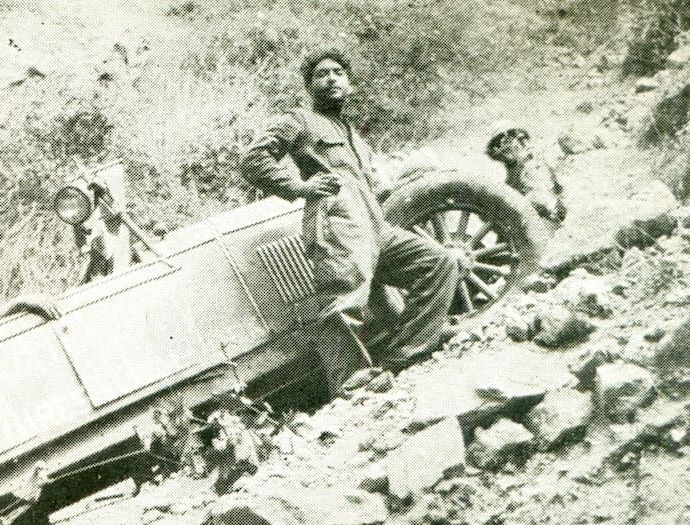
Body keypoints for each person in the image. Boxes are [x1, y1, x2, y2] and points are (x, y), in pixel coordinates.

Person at [240, 48, 461, 397]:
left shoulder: (354, 136)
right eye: (321, 74)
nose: (331, 79)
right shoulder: (298, 120)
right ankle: (350, 388)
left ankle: (401, 360)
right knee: (344, 300)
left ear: (350, 83)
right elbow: (254, 159)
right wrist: (299, 187)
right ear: (309, 87)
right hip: (336, 220)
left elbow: (369, 183)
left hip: (373, 223)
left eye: (338, 73)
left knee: (439, 263)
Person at [486, 121, 566, 226]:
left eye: (507, 141)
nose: (503, 148)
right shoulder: (511, 177)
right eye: (498, 144)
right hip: (535, 221)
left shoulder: (537, 161)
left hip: (551, 216)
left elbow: (555, 187)